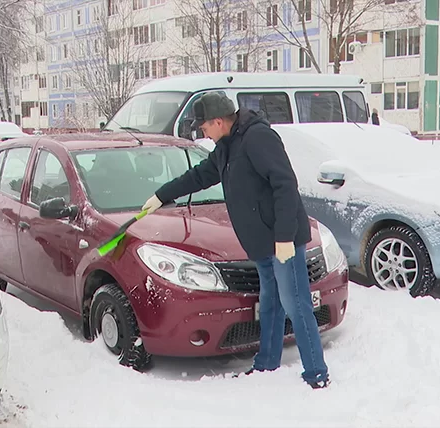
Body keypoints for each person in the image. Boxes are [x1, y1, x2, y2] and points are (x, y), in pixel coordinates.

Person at [141, 92, 330, 389]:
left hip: (282, 240)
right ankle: (267, 364)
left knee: (296, 304)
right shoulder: (227, 146)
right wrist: (162, 195)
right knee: (270, 302)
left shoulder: (258, 138)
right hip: (260, 242)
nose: (203, 132)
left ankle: (316, 374)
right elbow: (200, 175)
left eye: (204, 127)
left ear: (218, 121)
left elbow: (285, 184)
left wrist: (284, 237)